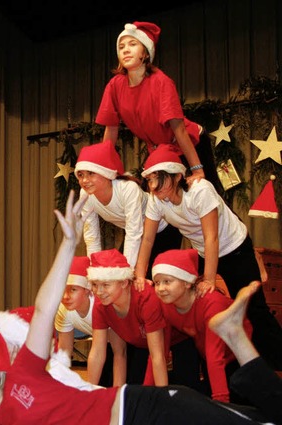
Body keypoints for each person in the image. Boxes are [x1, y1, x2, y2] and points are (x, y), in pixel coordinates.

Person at [0, 193, 282, 425]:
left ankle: (237, 338)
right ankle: (239, 340)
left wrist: (68, 246)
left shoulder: (25, 373)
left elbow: (44, 309)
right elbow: (100, 353)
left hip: (147, 410)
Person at [135, 144, 282, 370]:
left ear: (176, 175)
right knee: (197, 308)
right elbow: (147, 239)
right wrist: (138, 274)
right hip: (206, 252)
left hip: (234, 248)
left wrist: (209, 280)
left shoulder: (200, 191)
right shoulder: (156, 201)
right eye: (150, 180)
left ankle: (274, 361)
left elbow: (211, 236)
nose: (153, 186)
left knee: (253, 308)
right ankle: (223, 366)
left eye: (159, 179)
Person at [96, 21, 222, 193]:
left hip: (191, 143)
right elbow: (110, 130)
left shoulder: (161, 82)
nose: (125, 49)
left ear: (146, 54)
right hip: (160, 150)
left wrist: (197, 169)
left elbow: (179, 129)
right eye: (121, 46)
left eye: (133, 44)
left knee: (208, 196)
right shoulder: (115, 86)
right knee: (159, 201)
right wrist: (105, 169)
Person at [152, 248, 251, 403]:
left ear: (186, 282)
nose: (160, 289)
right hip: (207, 354)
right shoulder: (166, 305)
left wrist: (221, 404)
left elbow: (215, 355)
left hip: (239, 355)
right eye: (157, 283)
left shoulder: (211, 303)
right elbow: (158, 352)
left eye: (167, 281)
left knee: (239, 404)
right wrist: (148, 394)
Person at [75, 140, 181, 270]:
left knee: (152, 277)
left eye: (91, 173)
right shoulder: (85, 195)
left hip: (164, 228)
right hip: (137, 235)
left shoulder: (127, 189)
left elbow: (133, 232)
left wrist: (127, 272)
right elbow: (92, 236)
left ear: (106, 174)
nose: (85, 180)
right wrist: (93, 270)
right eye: (80, 175)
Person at [87, 248, 169, 387]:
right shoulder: (101, 304)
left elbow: (158, 356)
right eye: (95, 285)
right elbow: (97, 353)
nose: (99, 292)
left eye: (106, 285)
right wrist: (88, 392)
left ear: (124, 283)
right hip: (142, 346)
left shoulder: (146, 299)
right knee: (134, 390)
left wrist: (162, 398)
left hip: (176, 340)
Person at [53, 255, 123, 387]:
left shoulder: (102, 306)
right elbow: (64, 350)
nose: (66, 297)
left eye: (73, 289)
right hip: (105, 346)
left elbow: (120, 352)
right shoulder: (63, 310)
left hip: (128, 344)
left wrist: (117, 393)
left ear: (87, 290)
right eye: (63, 290)